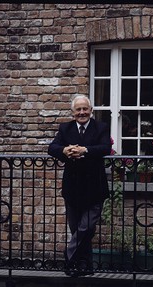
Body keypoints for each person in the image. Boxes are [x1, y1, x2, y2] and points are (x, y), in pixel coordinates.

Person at [48, 94, 111, 277]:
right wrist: (64, 150)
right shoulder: (65, 128)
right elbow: (52, 148)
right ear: (73, 112)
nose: (82, 112)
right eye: (78, 109)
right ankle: (84, 266)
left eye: (85, 109)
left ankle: (69, 257)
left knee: (87, 228)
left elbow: (105, 147)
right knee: (77, 229)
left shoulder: (101, 127)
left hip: (95, 186)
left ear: (91, 111)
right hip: (72, 187)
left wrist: (86, 150)